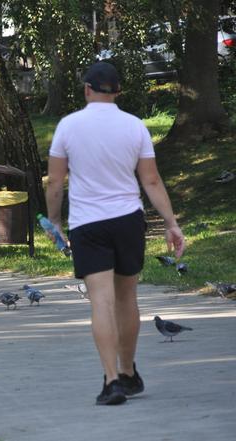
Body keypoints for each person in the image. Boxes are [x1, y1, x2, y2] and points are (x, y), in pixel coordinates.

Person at [45, 62, 185, 405]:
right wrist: (171, 222)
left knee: (101, 303)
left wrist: (54, 222)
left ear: (87, 89)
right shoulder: (135, 126)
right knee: (127, 300)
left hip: (87, 225)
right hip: (127, 220)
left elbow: (56, 183)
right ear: (118, 92)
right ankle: (127, 371)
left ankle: (111, 382)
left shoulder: (68, 126)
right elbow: (150, 180)